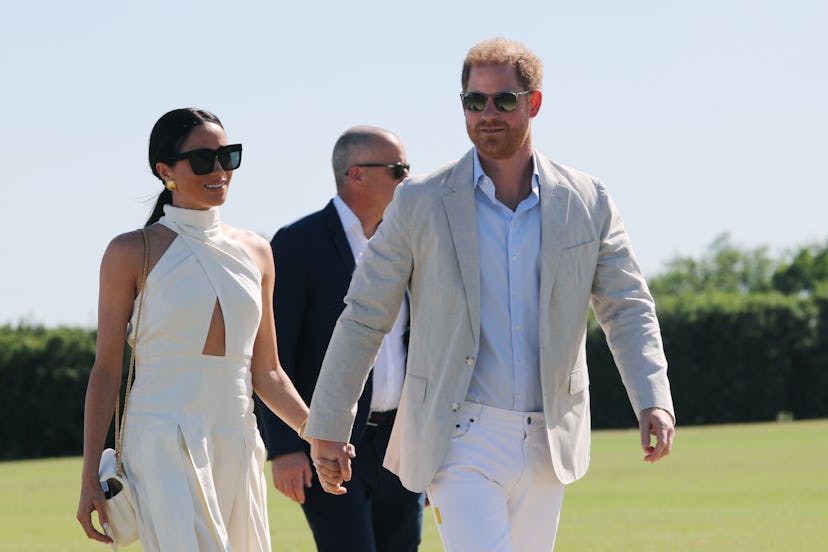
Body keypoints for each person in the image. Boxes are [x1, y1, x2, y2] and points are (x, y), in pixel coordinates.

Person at [305, 38, 676, 551]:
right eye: (474, 101)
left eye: (503, 100)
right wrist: (328, 422)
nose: (487, 114)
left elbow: (627, 307)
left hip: (551, 439)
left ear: (534, 103)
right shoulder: (419, 201)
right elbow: (365, 315)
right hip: (458, 436)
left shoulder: (588, 200)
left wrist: (653, 398)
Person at [76, 107, 312, 551]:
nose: (220, 170)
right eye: (203, 160)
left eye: (229, 156)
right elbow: (106, 370)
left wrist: (317, 434)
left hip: (237, 437)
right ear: (165, 171)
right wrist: (90, 475)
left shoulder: (258, 252)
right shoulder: (131, 251)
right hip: (161, 440)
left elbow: (269, 373)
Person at [257, 126, 424, 551]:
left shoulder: (407, 242)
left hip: (401, 444)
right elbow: (275, 354)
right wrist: (285, 449)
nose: (408, 179)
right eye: (398, 169)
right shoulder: (297, 244)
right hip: (331, 445)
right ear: (357, 175)